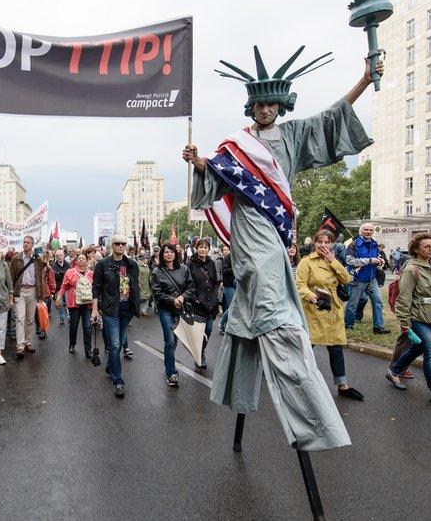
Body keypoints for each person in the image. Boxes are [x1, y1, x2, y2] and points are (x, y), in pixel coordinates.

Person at [185, 48, 380, 451]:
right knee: (258, 275)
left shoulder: (293, 135)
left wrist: (364, 79)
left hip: (277, 225)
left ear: (281, 104)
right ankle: (280, 322)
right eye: (258, 103)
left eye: (271, 102)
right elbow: (217, 183)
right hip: (249, 225)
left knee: (264, 282)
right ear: (251, 106)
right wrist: (199, 162)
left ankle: (274, 320)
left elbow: (332, 116)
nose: (264, 109)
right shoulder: (235, 146)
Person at [385, 233, 431, 409]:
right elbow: (404, 298)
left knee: (418, 348)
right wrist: (404, 323)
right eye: (427, 246)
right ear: (416, 249)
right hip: (417, 318)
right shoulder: (411, 269)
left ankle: (394, 370)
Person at [295, 230, 363, 400]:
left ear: (332, 244)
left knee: (336, 347)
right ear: (314, 243)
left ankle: (342, 385)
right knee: (307, 349)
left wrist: (333, 261)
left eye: (327, 242)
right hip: (313, 310)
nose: (323, 245)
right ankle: (300, 383)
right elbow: (300, 285)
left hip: (333, 310)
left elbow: (347, 279)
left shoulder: (334, 260)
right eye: (320, 242)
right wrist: (311, 296)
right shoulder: (306, 262)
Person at [91, 234, 140, 398]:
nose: (120, 246)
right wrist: (95, 310)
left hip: (127, 310)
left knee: (117, 346)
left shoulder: (132, 264)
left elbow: (135, 285)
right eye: (117, 243)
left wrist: (136, 304)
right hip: (110, 310)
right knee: (115, 344)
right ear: (112, 246)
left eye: (123, 244)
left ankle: (110, 368)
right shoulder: (103, 264)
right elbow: (96, 288)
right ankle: (118, 380)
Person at [150, 243, 194, 387]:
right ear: (162, 254)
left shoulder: (184, 269)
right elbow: (157, 293)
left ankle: (168, 362)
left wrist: (182, 297)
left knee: (174, 341)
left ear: (176, 253)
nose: (169, 254)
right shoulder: (157, 272)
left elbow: (191, 287)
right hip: (165, 309)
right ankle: (171, 373)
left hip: (180, 309)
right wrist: (172, 300)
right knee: (169, 340)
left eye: (171, 252)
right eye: (166, 252)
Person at [344, 223, 389, 335]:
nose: (368, 232)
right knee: (352, 304)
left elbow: (380, 258)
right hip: (357, 278)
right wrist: (369, 261)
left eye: (370, 230)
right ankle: (348, 325)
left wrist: (380, 262)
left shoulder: (375, 244)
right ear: (361, 231)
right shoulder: (354, 244)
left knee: (378, 302)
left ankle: (378, 327)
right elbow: (350, 261)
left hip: (372, 278)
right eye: (366, 230)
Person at [9, 235, 44, 357]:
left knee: (30, 319)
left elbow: (40, 277)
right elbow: (11, 277)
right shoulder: (15, 259)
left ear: (32, 245)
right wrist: (11, 293)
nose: (25, 244)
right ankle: (20, 346)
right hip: (20, 291)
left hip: (33, 290)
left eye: (28, 242)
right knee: (20, 318)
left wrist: (41, 294)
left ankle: (28, 342)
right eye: (24, 242)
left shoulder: (37, 259)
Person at [188, 238, 220, 368]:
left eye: (206, 247)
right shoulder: (191, 264)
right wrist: (196, 299)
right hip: (198, 305)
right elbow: (189, 283)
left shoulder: (212, 263)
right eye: (200, 247)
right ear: (196, 248)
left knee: (209, 329)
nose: (203, 249)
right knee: (199, 331)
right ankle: (199, 354)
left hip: (211, 304)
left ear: (209, 249)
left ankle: (202, 350)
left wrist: (215, 298)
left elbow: (214, 283)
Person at [58, 252, 94, 355]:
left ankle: (88, 349)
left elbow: (95, 288)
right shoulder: (70, 272)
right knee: (74, 325)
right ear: (76, 260)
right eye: (80, 258)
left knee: (87, 326)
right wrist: (59, 297)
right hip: (74, 303)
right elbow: (64, 286)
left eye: (84, 258)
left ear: (86, 261)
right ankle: (72, 344)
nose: (82, 259)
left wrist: (97, 304)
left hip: (88, 304)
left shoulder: (91, 273)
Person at [51, 248, 70, 325]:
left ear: (64, 255)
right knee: (60, 304)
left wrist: (59, 273)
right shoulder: (53, 265)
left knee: (68, 303)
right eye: (58, 255)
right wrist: (62, 273)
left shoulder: (68, 264)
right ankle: (62, 318)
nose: (60, 257)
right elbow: (54, 276)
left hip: (68, 287)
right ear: (56, 256)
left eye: (61, 255)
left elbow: (69, 275)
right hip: (58, 288)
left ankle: (69, 318)